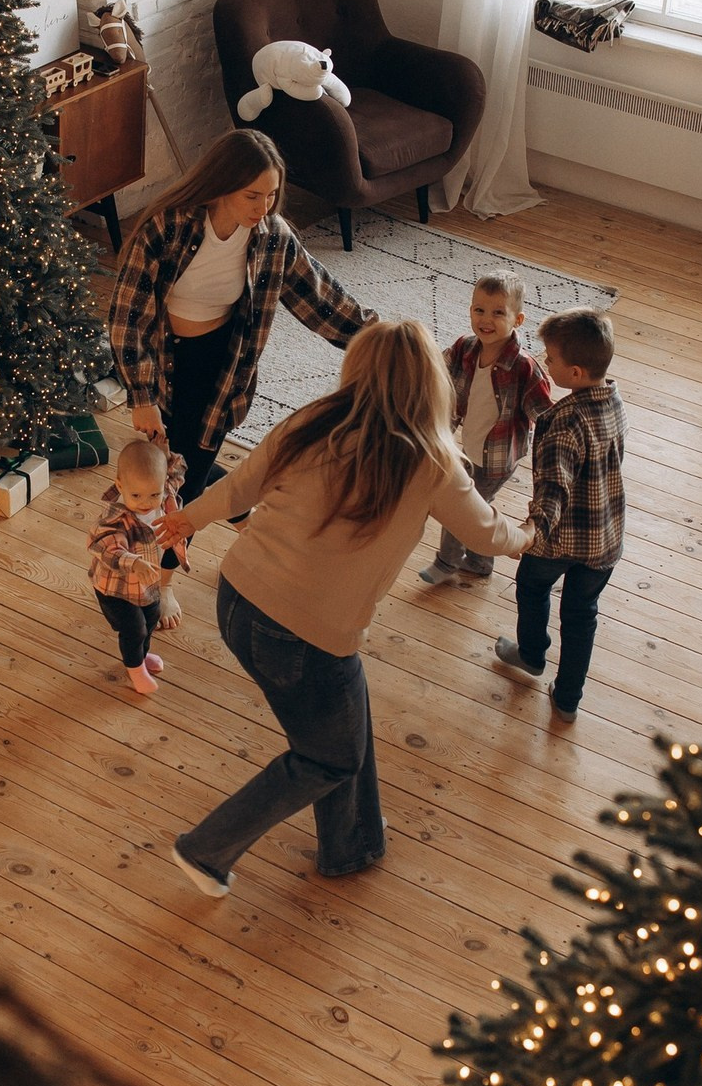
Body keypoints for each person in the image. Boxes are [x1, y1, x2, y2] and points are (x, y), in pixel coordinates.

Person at [154, 320, 534, 896]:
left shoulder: (312, 421)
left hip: (237, 596)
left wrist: (187, 519)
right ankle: (205, 850)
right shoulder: (432, 462)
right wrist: (528, 535)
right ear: (431, 384)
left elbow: (239, 488)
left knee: (346, 723)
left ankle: (353, 842)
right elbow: (486, 534)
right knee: (328, 757)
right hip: (303, 634)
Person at [108, 129, 374, 628]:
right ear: (221, 186)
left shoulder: (272, 237)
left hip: (221, 367)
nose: (264, 207)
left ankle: (165, 581)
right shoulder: (168, 227)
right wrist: (140, 396)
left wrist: (382, 341)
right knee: (180, 464)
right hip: (163, 362)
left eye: (272, 195)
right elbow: (127, 316)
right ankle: (237, 513)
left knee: (180, 480)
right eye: (253, 195)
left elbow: (322, 299)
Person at [494, 309, 626, 731]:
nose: (545, 363)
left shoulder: (563, 424)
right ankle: (568, 699)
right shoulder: (613, 399)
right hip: (604, 537)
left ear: (575, 372)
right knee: (582, 615)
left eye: (550, 359)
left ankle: (532, 655)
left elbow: (554, 489)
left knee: (532, 587)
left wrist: (530, 531)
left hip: (559, 539)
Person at [418, 270, 552, 588]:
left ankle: (447, 562)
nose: (486, 320)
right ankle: (480, 561)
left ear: (518, 320)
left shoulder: (524, 368)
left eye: (498, 313)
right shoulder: (465, 348)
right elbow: (437, 374)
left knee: (460, 508)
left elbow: (547, 417)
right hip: (470, 448)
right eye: (479, 310)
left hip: (498, 459)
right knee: (475, 508)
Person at [87, 436, 187, 696]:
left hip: (146, 584)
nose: (146, 502)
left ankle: (141, 657)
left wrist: (166, 454)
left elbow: (178, 471)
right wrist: (132, 562)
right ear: (120, 485)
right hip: (116, 589)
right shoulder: (116, 517)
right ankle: (135, 670)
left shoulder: (162, 493)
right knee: (134, 629)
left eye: (154, 494)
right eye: (136, 495)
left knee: (151, 619)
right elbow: (103, 545)